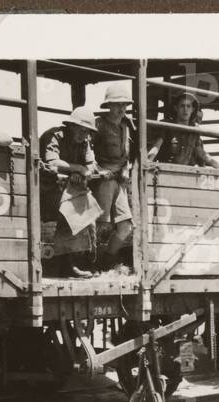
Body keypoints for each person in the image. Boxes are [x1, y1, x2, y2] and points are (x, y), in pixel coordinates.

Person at [39, 106, 100, 278]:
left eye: (87, 131)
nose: (84, 135)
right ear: (71, 126)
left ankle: (72, 263)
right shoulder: (55, 135)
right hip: (44, 191)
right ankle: (65, 265)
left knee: (86, 208)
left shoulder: (85, 141)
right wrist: (79, 168)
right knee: (73, 208)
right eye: (81, 130)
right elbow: (52, 163)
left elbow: (91, 165)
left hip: (66, 190)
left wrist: (83, 172)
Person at [92, 82, 135, 270]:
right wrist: (97, 171)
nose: (121, 109)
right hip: (103, 180)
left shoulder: (127, 126)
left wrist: (127, 168)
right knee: (102, 225)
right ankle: (89, 261)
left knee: (126, 226)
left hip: (120, 180)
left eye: (124, 105)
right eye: (117, 105)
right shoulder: (98, 124)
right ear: (108, 105)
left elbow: (132, 155)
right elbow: (86, 152)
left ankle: (107, 259)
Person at [147, 92, 219, 168]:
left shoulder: (193, 130)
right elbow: (157, 145)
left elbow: (201, 152)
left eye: (188, 106)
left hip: (186, 171)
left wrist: (218, 166)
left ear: (192, 109)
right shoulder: (167, 125)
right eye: (182, 106)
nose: (185, 109)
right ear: (176, 108)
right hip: (168, 169)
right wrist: (148, 160)